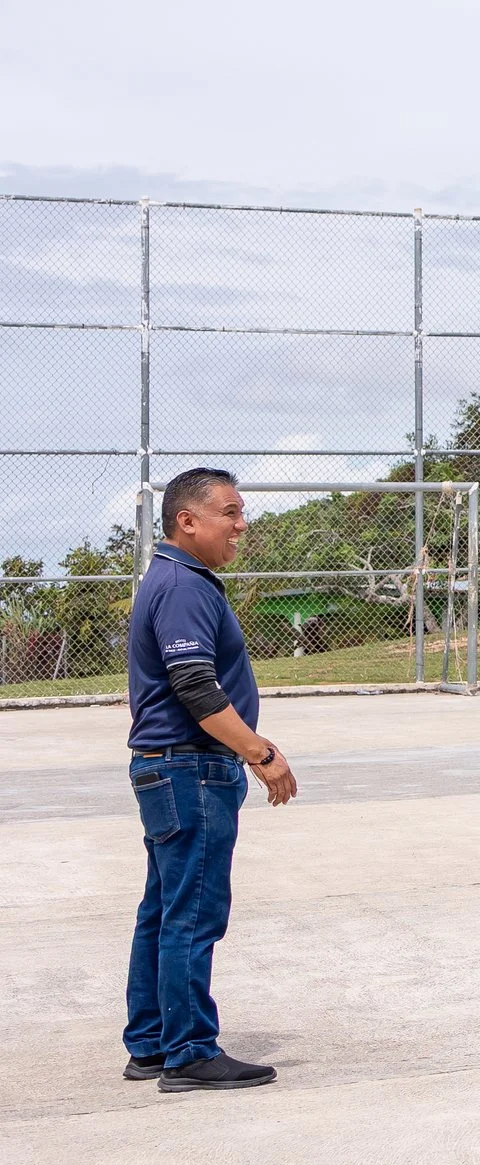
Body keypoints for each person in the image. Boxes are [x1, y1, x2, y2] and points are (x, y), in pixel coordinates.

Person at [121, 467, 299, 1093]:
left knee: (165, 909)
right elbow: (195, 687)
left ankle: (151, 1042)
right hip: (189, 770)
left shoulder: (169, 579)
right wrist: (261, 752)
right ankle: (189, 1051)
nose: (241, 525)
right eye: (230, 512)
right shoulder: (186, 585)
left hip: (170, 770)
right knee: (193, 913)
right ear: (186, 520)